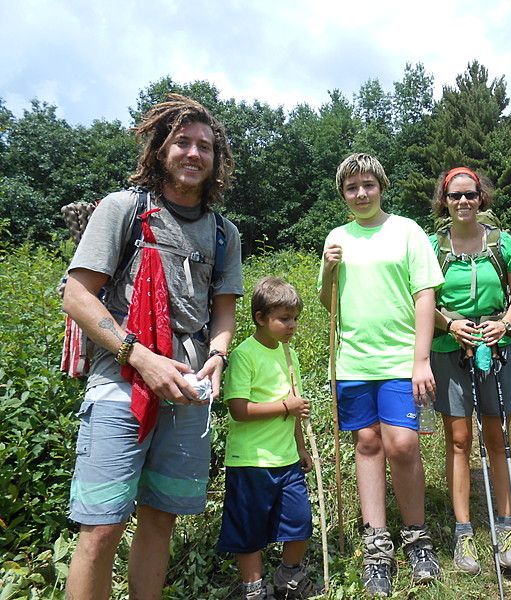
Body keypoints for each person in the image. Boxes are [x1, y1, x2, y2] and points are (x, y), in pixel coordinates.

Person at [63, 94, 243, 600]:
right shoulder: (122, 208)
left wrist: (218, 356)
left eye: (204, 146)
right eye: (182, 141)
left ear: (217, 158)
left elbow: (223, 310)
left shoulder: (225, 235)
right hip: (121, 383)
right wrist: (140, 357)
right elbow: (77, 295)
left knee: (161, 517)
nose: (193, 153)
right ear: (160, 148)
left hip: (188, 391)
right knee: (100, 528)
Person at [318, 153, 444, 597]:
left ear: (381, 186)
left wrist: (421, 359)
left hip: (399, 360)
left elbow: (425, 294)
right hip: (353, 363)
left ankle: (416, 537)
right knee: (367, 443)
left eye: (368, 185)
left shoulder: (407, 231)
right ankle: (377, 547)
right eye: (352, 188)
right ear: (343, 194)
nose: (361, 194)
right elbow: (328, 304)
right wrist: (330, 269)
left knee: (403, 444)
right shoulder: (337, 237)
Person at [428, 167, 511, 574]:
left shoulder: (504, 244)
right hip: (449, 349)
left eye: (470, 194)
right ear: (444, 201)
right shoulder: (432, 247)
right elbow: (423, 302)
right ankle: (464, 531)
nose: (463, 202)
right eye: (455, 196)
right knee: (458, 439)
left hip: (497, 349)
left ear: (481, 197)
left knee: (496, 436)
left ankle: (504, 527)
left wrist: (503, 324)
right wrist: (450, 324)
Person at [216, 277, 320, 600]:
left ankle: (289, 577)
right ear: (261, 318)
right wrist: (283, 407)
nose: (291, 326)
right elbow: (238, 409)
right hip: (251, 460)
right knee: (250, 529)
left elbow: (296, 406)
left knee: (300, 521)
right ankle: (253, 588)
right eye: (284, 319)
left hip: (286, 458)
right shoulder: (246, 354)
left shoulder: (289, 356)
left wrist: (301, 447)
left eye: (295, 319)